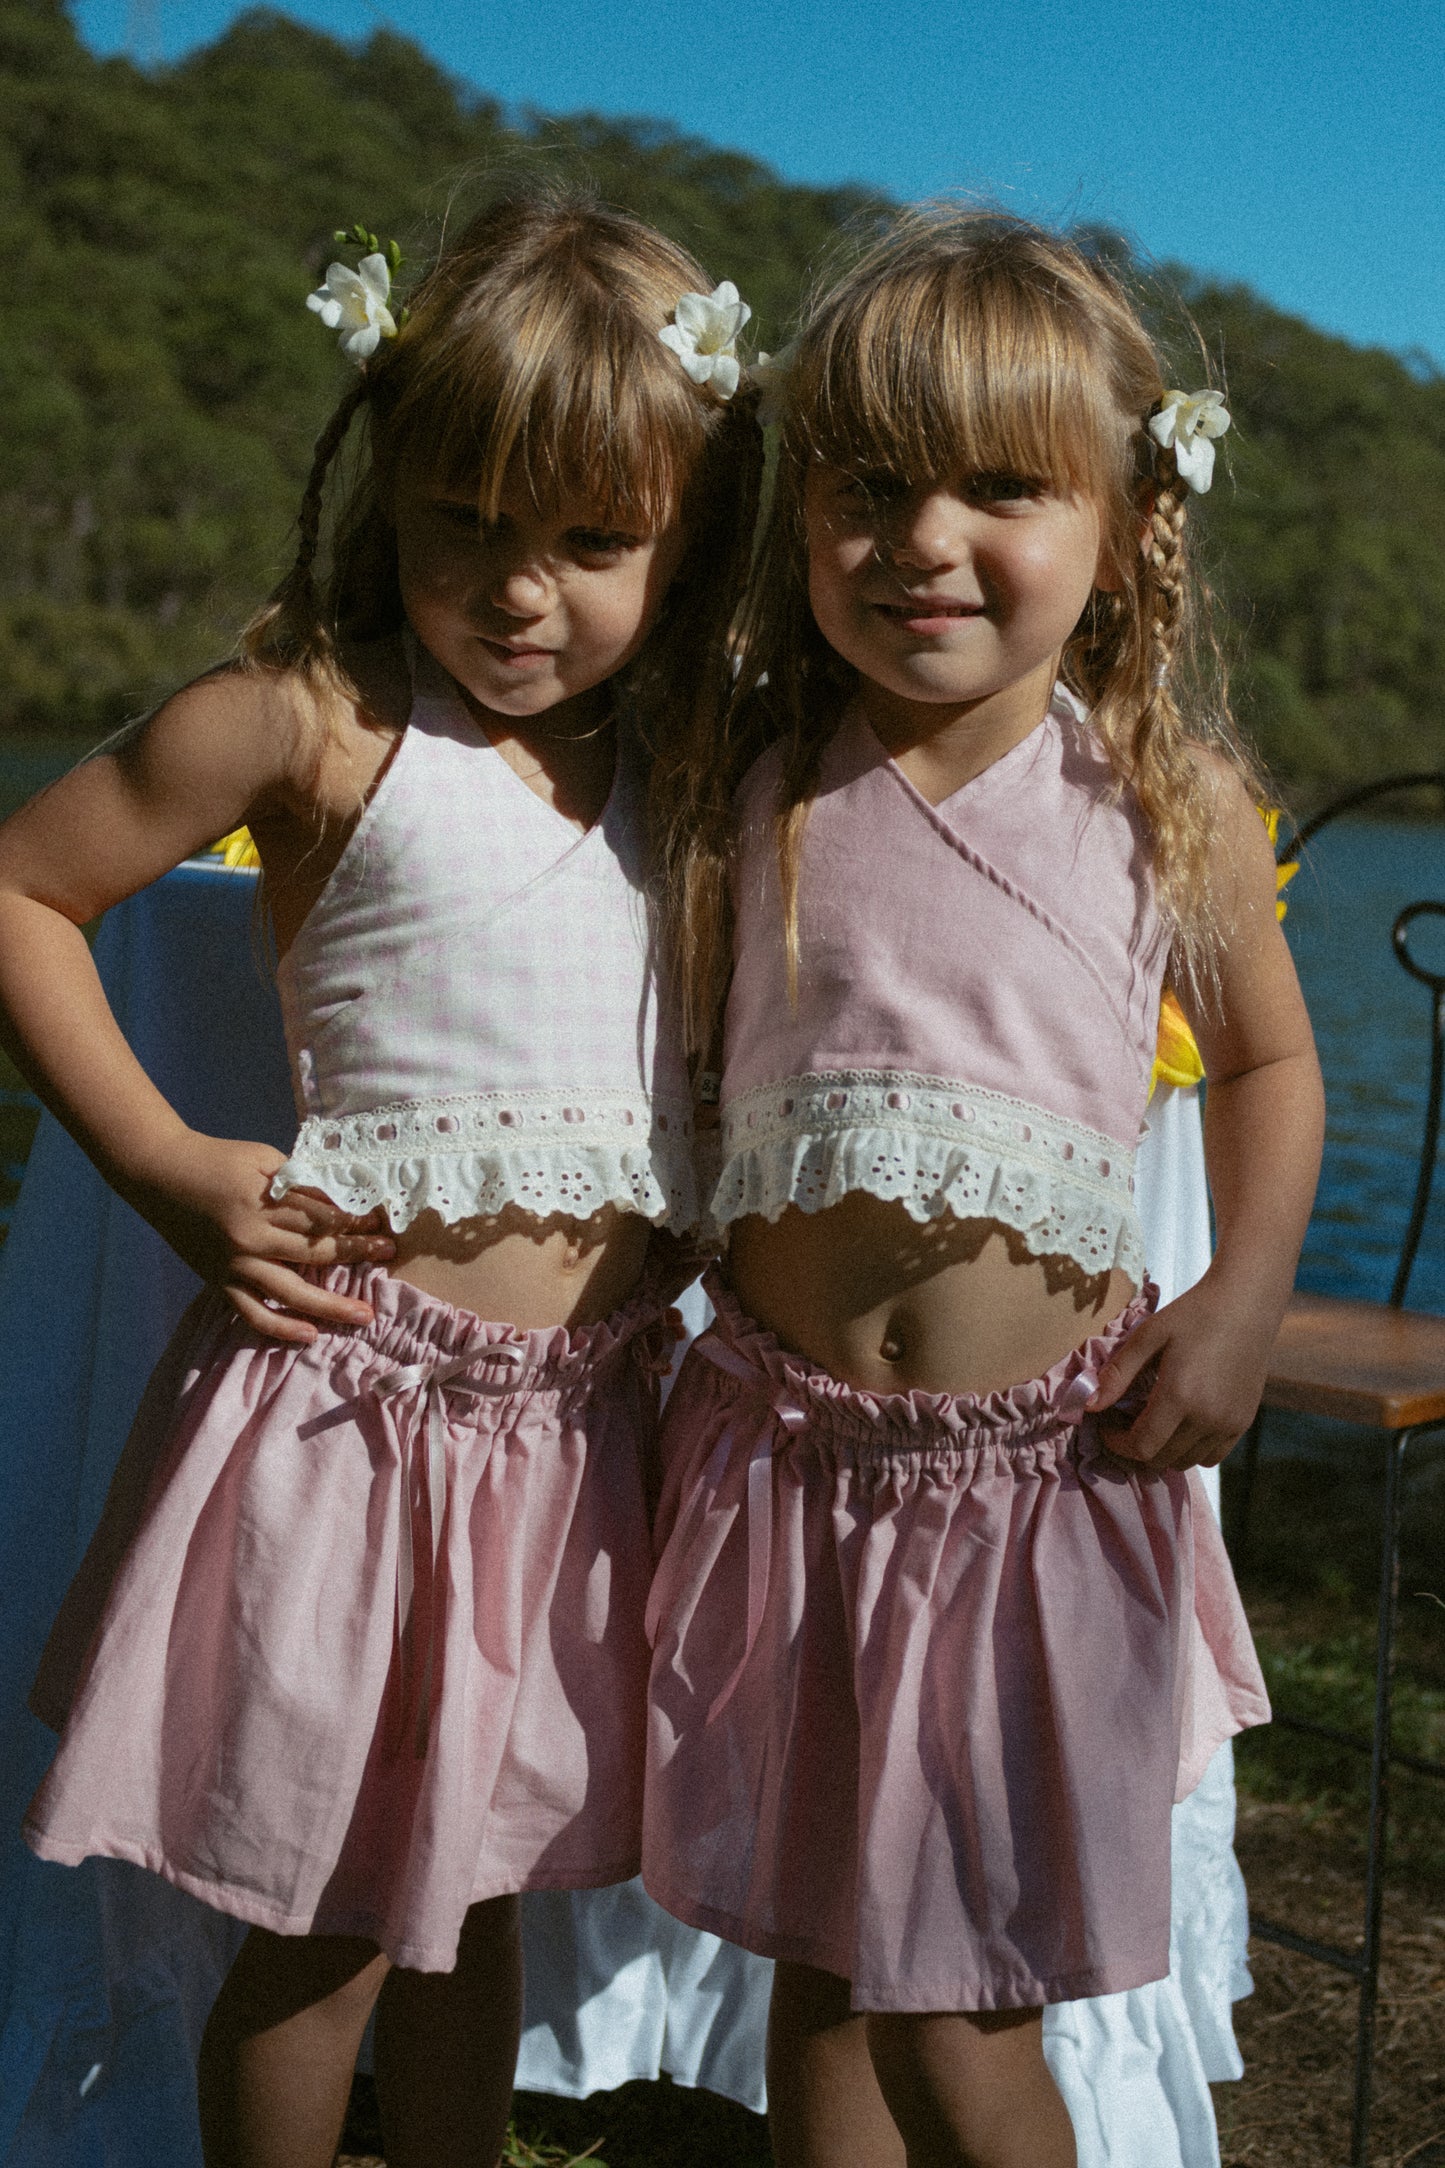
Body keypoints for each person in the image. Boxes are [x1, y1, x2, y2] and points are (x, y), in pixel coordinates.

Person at [0, 192, 761, 2168]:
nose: (522, 594)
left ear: (688, 537)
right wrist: (165, 1158)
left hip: (573, 1441)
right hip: (355, 1422)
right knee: (330, 1922)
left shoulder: (687, 768)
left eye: (593, 543)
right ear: (392, 492)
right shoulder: (321, 722)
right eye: (467, 525)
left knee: (471, 1899)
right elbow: (20, 881)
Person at [642, 210, 1324, 2168]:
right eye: (869, 487)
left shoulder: (1165, 804)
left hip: (1033, 1493)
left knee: (961, 2012)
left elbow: (1272, 1061)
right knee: (825, 1976)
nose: (925, 539)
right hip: (786, 1480)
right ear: (797, 520)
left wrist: (1250, 1288)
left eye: (1003, 488)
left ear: (1120, 523)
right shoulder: (751, 786)